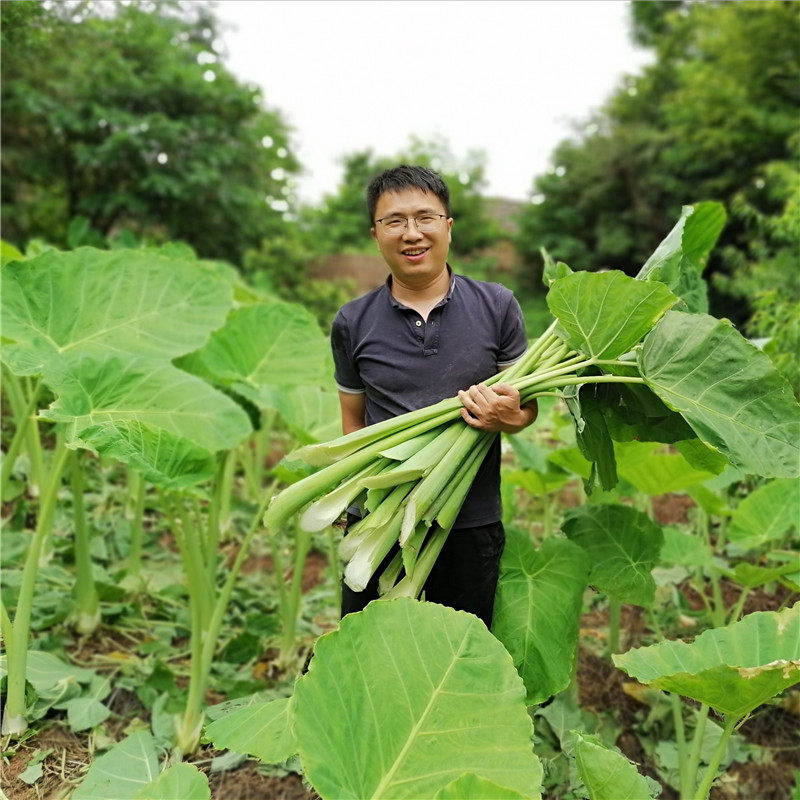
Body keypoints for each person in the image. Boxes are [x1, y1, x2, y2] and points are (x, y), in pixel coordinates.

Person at [330, 164, 537, 629]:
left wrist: (508, 417)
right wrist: (358, 499)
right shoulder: (352, 321)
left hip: (469, 517)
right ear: (375, 234)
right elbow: (352, 420)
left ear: (448, 226)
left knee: (458, 648)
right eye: (394, 221)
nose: (412, 233)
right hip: (381, 515)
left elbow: (525, 408)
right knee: (369, 646)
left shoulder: (497, 305)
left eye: (425, 217)